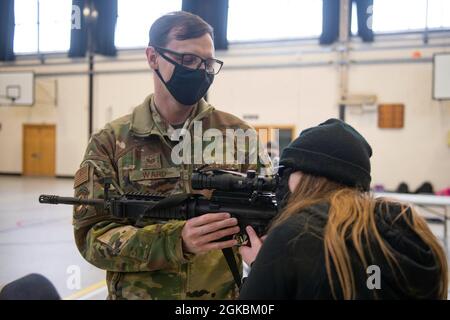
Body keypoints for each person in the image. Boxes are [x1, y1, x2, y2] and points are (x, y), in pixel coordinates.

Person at [73, 11, 268, 300]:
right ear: (153, 57)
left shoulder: (239, 136)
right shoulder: (111, 142)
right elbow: (91, 237)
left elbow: (271, 212)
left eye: (208, 63)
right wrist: (174, 241)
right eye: (188, 60)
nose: (200, 71)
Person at [239, 119, 448, 299]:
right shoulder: (412, 232)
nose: (281, 180)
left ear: (304, 175)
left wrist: (263, 266)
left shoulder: (296, 234)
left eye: (286, 171)